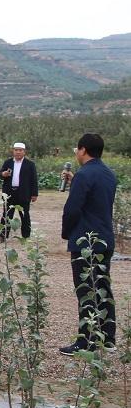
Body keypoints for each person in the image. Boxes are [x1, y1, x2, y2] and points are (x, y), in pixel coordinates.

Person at [60, 134, 117, 356]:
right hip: (105, 240)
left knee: (85, 291)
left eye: (77, 149)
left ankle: (86, 341)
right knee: (102, 288)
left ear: (83, 150)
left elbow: (73, 209)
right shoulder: (108, 173)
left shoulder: (84, 175)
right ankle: (108, 338)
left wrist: (66, 233)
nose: (76, 153)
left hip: (86, 241)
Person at [0, 142, 38, 242]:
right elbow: (0, 174)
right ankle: (2, 235)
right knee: (7, 215)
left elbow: (34, 180)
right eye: (16, 150)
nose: (18, 152)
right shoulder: (8, 162)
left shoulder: (30, 164)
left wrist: (34, 194)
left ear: (24, 152)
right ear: (13, 151)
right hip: (9, 192)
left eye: (20, 150)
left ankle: (26, 236)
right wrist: (4, 174)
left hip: (23, 193)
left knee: (24, 215)